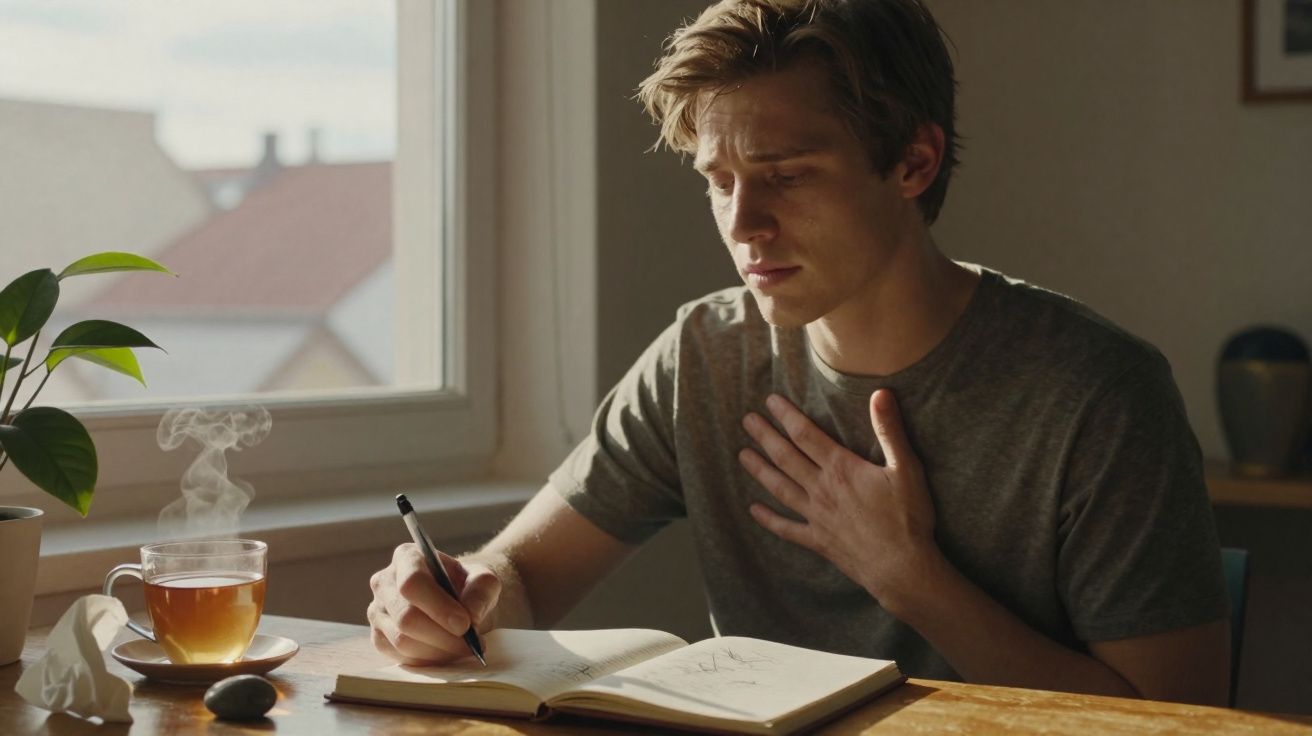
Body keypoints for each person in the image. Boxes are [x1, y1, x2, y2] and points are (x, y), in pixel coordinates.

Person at [367, 0, 1230, 705]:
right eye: (718, 182)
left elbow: (1178, 724)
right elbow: (521, 578)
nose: (743, 226)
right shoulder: (704, 357)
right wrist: (451, 595)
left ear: (913, 163)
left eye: (787, 174)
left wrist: (912, 578)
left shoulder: (1096, 393)